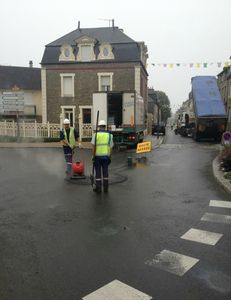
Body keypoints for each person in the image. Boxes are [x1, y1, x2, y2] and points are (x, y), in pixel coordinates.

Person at [91, 120, 113, 193]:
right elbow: (111, 147)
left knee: (98, 173)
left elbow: (93, 147)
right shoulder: (110, 135)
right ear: (105, 127)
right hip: (106, 157)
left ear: (99, 127)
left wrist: (93, 156)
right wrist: (109, 156)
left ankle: (98, 188)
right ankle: (106, 188)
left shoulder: (95, 135)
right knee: (105, 172)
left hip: (97, 157)